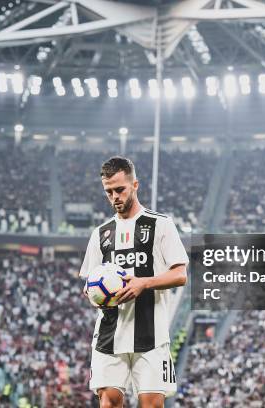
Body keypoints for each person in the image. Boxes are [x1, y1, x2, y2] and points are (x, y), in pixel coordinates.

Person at [80, 156, 189, 408]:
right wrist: (93, 294)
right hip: (109, 334)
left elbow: (180, 274)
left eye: (120, 189)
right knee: (109, 403)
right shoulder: (101, 234)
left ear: (135, 185)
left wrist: (144, 283)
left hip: (150, 335)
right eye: (109, 192)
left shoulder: (160, 224)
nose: (115, 196)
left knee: (151, 404)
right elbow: (90, 282)